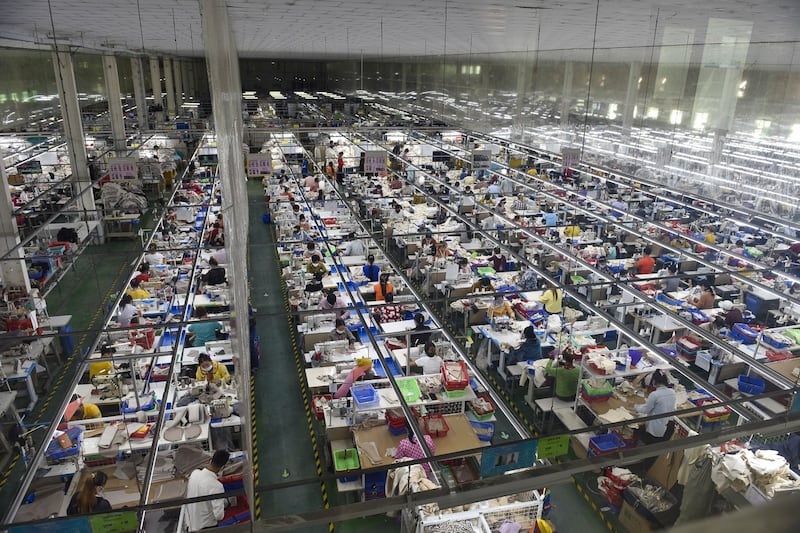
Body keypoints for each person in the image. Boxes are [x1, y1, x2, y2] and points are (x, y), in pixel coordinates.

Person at [184, 450, 231, 532]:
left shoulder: (194, 474)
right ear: (223, 467)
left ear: (210, 460)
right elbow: (219, 516)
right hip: (206, 529)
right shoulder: (216, 486)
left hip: (190, 526)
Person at [635, 370, 676, 444]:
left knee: (650, 447)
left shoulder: (655, 395)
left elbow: (646, 410)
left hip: (656, 430)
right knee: (658, 448)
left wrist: (635, 407)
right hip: (669, 427)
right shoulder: (672, 392)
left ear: (654, 381)